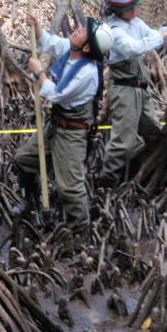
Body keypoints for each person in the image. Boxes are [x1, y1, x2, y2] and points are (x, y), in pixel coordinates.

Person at [13, 13, 114, 236]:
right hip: (55, 126)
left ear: (87, 48)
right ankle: (32, 205)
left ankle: (80, 234)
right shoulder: (71, 50)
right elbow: (50, 42)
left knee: (69, 188)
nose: (77, 29)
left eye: (83, 32)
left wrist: (39, 72)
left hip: (73, 133)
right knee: (23, 161)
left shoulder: (88, 73)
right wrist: (37, 26)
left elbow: (56, 94)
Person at [99, 0, 167, 187]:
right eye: (130, 8)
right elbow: (133, 48)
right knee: (122, 143)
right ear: (118, 11)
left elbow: (150, 34)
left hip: (141, 91)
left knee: (154, 133)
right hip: (124, 91)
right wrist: (161, 36)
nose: (134, 11)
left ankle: (149, 172)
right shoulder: (113, 31)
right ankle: (105, 183)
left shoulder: (135, 22)